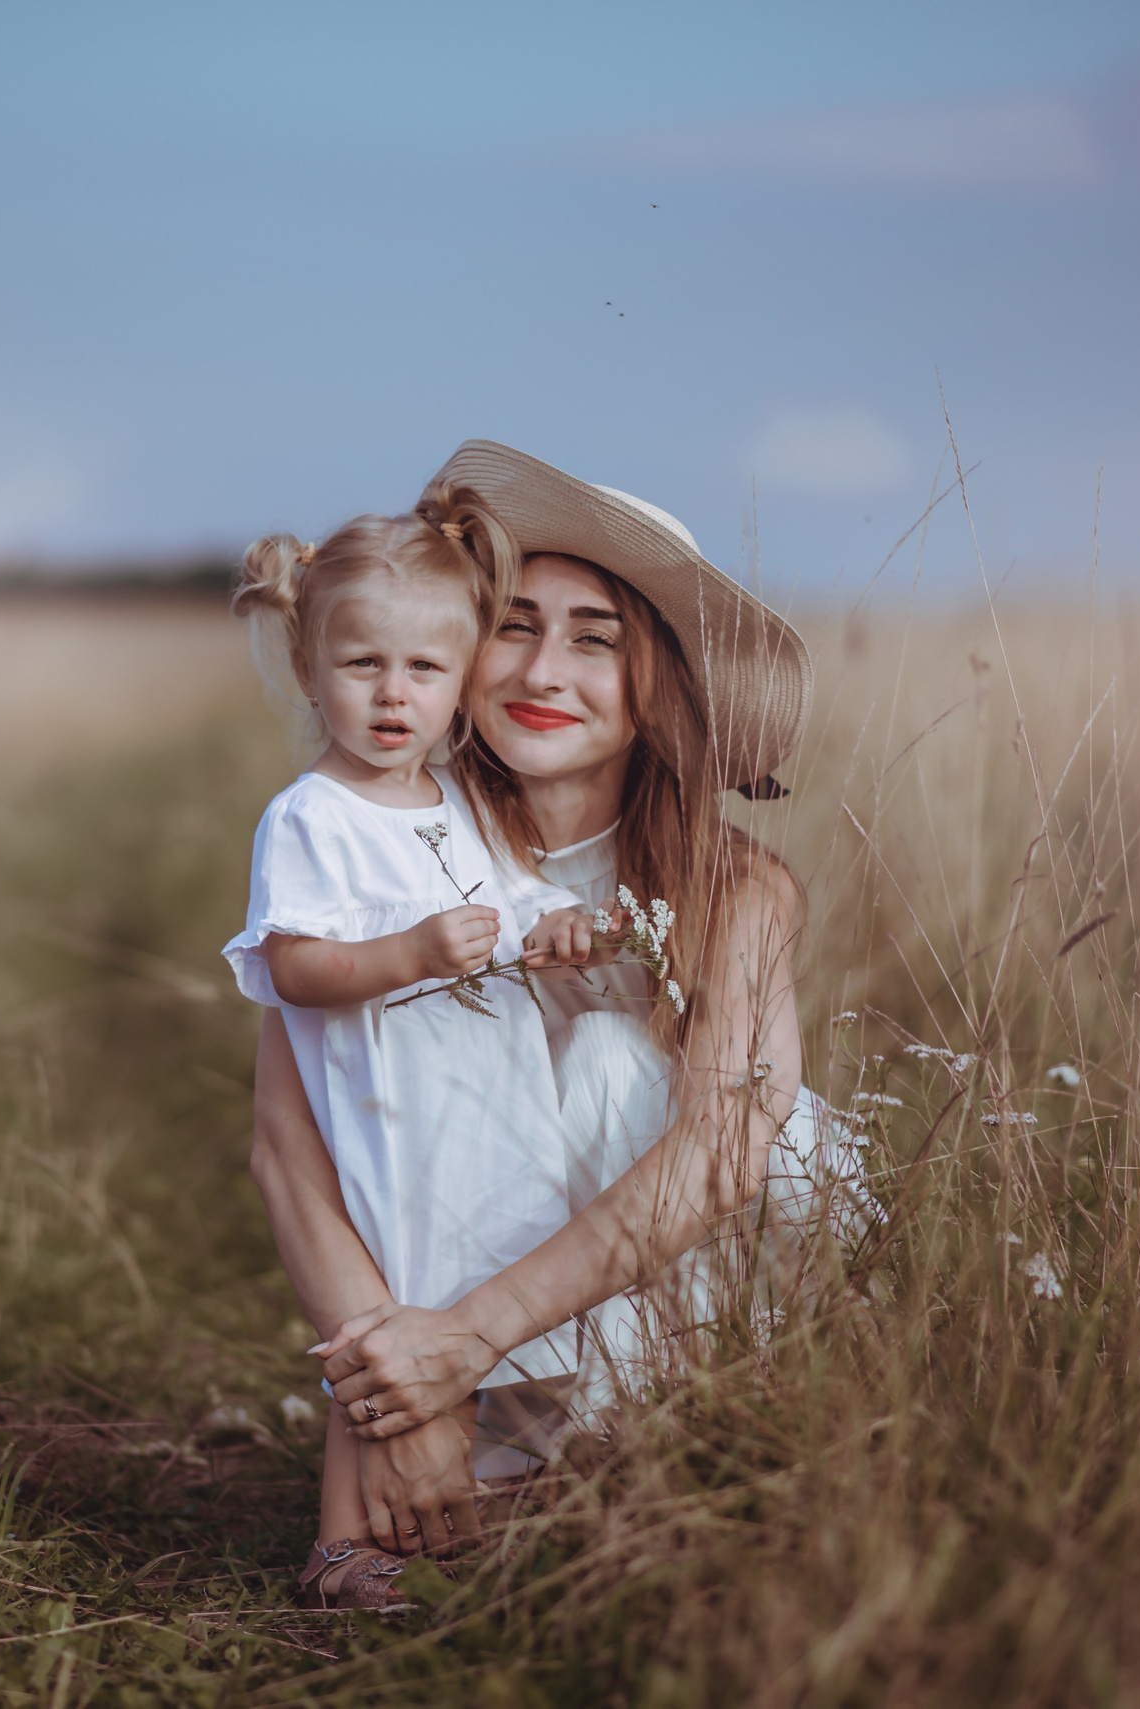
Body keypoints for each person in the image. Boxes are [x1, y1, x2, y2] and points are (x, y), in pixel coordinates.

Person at [248, 441, 874, 1567]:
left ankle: (639, 1454)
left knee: (603, 1062)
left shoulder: (733, 885)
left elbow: (727, 1150)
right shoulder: (379, 849)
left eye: (596, 641)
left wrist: (462, 1342)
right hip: (447, 1336)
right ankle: (488, 1460)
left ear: (659, 685)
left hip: (694, 1290)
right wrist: (410, 1388)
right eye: (515, 626)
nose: (542, 673)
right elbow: (292, 1154)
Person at [220, 497, 622, 1611]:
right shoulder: (313, 815)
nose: (394, 694)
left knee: (485, 1288)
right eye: (362, 664)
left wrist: (558, 929)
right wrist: (402, 952)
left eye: (424, 669)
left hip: (485, 1112)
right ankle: (343, 1539)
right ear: (309, 669)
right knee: (390, 1321)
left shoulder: (463, 803)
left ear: (460, 680)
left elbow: (521, 898)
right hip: (386, 1119)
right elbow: (290, 963)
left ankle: (471, 1507)